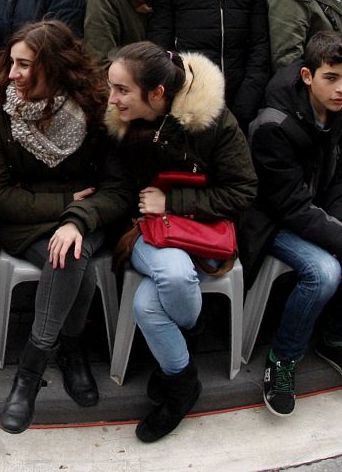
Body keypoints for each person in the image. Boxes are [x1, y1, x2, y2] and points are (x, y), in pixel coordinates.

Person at [0, 21, 126, 433]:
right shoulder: (0, 110)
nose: (12, 74)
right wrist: (65, 204)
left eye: (25, 65)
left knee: (70, 252)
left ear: (55, 66)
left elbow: (117, 189)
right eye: (12, 64)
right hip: (23, 222)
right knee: (69, 258)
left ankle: (31, 370)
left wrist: (77, 219)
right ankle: (67, 349)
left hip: (90, 216)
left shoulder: (96, 110)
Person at [105, 43, 255, 443]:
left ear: (156, 93)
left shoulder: (213, 121)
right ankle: (187, 362)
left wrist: (173, 203)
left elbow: (243, 191)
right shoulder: (121, 124)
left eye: (121, 90)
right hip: (142, 230)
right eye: (112, 88)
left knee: (145, 304)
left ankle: (177, 373)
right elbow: (115, 187)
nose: (112, 99)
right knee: (173, 273)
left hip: (200, 230)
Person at [243, 32, 342, 418]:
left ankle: (338, 339)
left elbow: (341, 181)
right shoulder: (273, 125)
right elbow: (290, 205)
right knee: (324, 272)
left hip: (321, 209)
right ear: (308, 75)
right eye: (332, 78)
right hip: (276, 218)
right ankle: (283, 357)